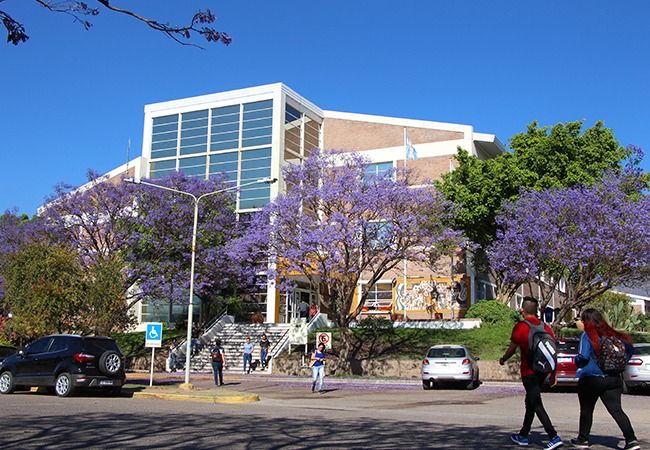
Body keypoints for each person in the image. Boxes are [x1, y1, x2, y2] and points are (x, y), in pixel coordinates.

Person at [570, 309, 639, 450]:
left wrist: (576, 361)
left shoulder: (587, 336)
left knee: (587, 410)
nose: (581, 323)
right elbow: (630, 349)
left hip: (591, 379)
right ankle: (631, 440)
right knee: (617, 410)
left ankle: (583, 439)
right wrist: (620, 364)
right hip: (613, 378)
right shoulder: (613, 334)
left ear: (586, 322)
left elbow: (583, 357)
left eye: (582, 320)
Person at [499, 296, 563, 450]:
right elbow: (553, 352)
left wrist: (503, 359)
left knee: (536, 403)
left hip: (529, 371)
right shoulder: (546, 327)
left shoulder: (521, 327)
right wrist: (553, 374)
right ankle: (523, 435)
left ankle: (553, 436)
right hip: (543, 371)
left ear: (522, 309)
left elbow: (512, 348)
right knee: (530, 402)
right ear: (536, 310)